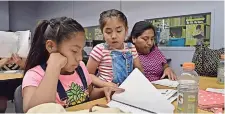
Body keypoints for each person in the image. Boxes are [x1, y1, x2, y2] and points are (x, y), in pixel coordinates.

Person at [22, 17, 124, 112]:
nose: (80, 58)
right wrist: (53, 67)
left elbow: (89, 94)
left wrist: (104, 90)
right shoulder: (34, 75)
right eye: (74, 51)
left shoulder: (80, 67)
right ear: (50, 46)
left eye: (81, 50)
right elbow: (37, 111)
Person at [86, 9, 144, 88]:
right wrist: (105, 84)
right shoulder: (99, 49)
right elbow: (88, 74)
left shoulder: (131, 48)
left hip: (126, 89)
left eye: (119, 31)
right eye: (108, 32)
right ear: (102, 32)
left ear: (126, 30)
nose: (113, 36)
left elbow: (139, 70)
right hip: (104, 92)